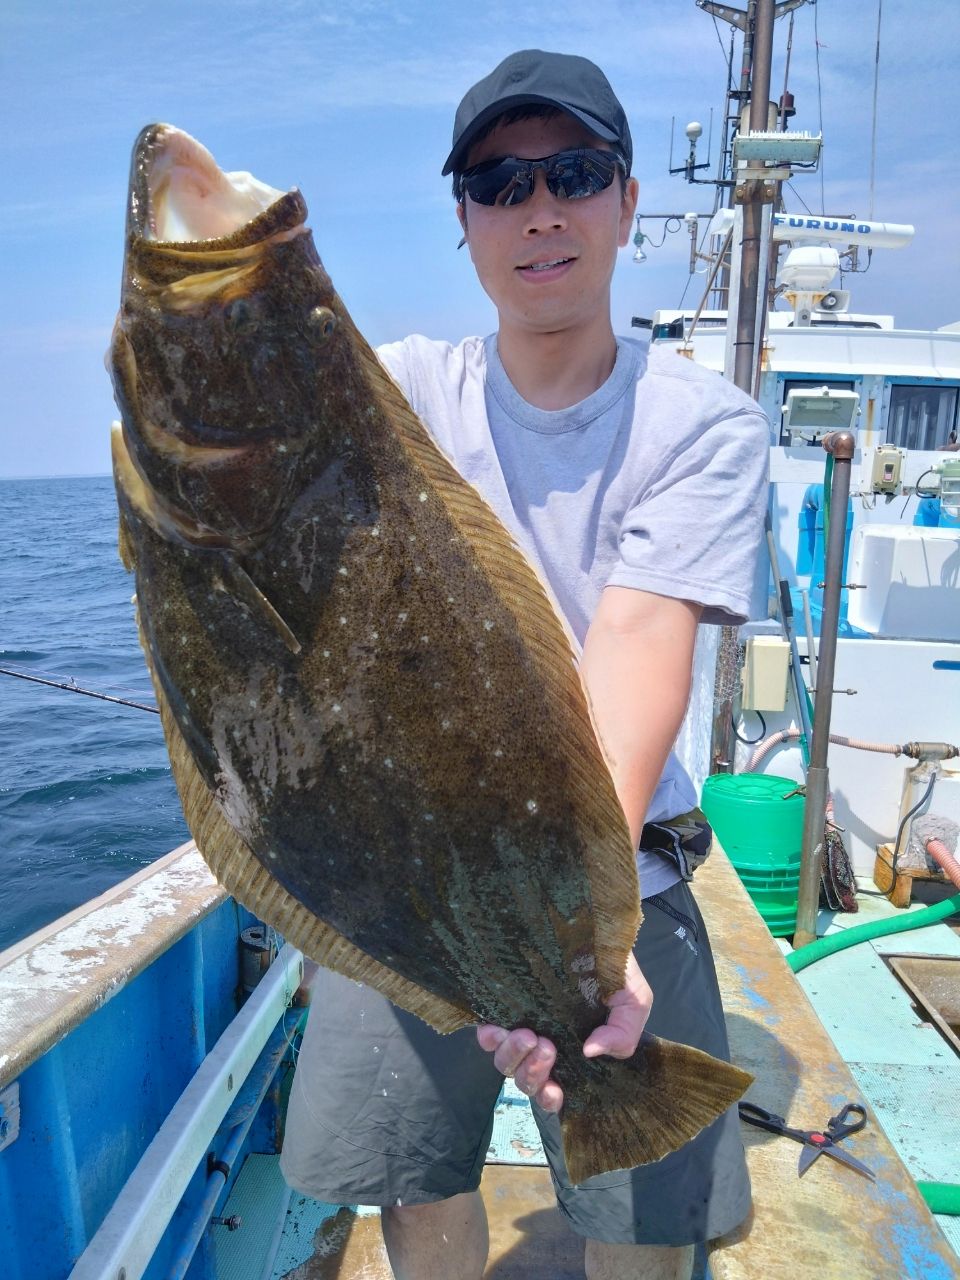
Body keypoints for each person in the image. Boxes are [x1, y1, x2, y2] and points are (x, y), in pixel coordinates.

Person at [281, 49, 768, 1280]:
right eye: (499, 184)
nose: (538, 207)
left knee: (645, 1220)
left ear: (626, 200)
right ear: (463, 222)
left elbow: (638, 650)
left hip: (613, 883)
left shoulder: (701, 423)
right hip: (407, 884)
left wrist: (574, 939)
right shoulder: (397, 391)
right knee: (410, 1174)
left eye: (574, 172)